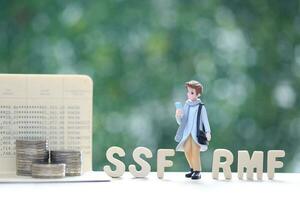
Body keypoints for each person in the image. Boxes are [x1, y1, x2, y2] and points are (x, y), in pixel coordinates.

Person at [174, 80, 211, 180]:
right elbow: (182, 122)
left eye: (192, 92)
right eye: (188, 92)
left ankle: (197, 171)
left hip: (196, 133)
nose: (189, 94)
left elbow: (205, 120)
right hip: (187, 133)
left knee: (195, 152)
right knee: (187, 150)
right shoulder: (186, 105)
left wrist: (208, 132)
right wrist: (178, 115)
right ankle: (192, 168)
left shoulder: (201, 107)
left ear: (198, 94)